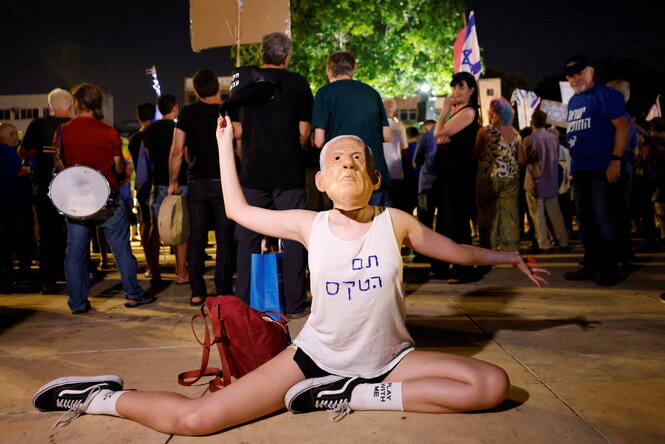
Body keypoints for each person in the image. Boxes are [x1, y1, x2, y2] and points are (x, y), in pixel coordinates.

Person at [32, 118, 549, 436]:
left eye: (358, 159)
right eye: (336, 159)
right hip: (314, 359)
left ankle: (349, 395)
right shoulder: (309, 223)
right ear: (321, 182)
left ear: (373, 178)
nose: (348, 163)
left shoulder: (397, 222)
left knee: (490, 384)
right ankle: (99, 396)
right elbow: (234, 209)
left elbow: (456, 250)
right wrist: (221, 149)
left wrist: (509, 258)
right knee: (196, 421)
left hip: (391, 363)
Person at [228, 32, 314, 318]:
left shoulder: (247, 81)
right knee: (293, 237)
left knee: (248, 236)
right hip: (288, 170)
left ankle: (244, 303)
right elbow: (304, 132)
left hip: (253, 170)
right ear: (287, 57)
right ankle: (294, 304)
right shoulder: (299, 83)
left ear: (261, 55)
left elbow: (237, 131)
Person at [58, 83, 152, 313]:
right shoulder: (108, 131)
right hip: (105, 199)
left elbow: (60, 164)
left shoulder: (63, 131)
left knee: (76, 252)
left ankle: (78, 303)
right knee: (121, 248)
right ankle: (132, 294)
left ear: (77, 102)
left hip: (76, 201)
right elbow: (119, 166)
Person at [562, 55, 632, 286]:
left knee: (604, 218)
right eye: (571, 74)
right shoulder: (573, 102)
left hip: (602, 167)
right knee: (585, 220)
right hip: (581, 169)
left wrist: (615, 159)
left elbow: (623, 126)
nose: (575, 78)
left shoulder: (605, 94)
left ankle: (609, 269)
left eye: (580, 72)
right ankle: (591, 265)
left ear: (591, 71)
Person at [169, 69, 236, 306]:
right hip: (224, 183)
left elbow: (177, 151)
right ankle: (224, 289)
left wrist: (173, 181)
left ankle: (197, 291)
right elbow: (239, 145)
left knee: (196, 238)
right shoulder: (228, 110)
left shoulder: (187, 112)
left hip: (196, 183)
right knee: (225, 238)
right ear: (219, 87)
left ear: (196, 92)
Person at [311, 50, 392, 205]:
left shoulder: (324, 93)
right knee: (377, 225)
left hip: (340, 176)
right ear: (354, 67)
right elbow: (387, 136)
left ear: (329, 71)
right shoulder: (372, 93)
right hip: (372, 172)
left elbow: (319, 141)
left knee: (342, 226)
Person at [18, 88, 72, 293]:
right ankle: (70, 275)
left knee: (47, 234)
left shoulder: (38, 125)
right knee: (71, 233)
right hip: (72, 188)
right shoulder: (73, 125)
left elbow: (22, 151)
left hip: (46, 187)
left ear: (50, 106)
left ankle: (48, 280)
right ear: (71, 105)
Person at [431, 72, 480, 283]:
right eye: (454, 87)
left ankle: (465, 269)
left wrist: (443, 111)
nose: (455, 92)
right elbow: (440, 136)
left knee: (456, 222)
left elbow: (438, 132)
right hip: (448, 174)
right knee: (443, 221)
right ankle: (442, 266)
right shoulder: (459, 113)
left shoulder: (468, 112)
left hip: (459, 176)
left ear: (471, 90)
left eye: (461, 87)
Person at [143, 94, 189, 286]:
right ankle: (181, 272)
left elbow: (147, 155)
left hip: (157, 182)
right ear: (175, 108)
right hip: (180, 182)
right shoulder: (179, 128)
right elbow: (183, 154)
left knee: (155, 227)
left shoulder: (149, 130)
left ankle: (154, 272)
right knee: (180, 226)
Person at [474, 97, 524, 253]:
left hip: (489, 178)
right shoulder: (515, 133)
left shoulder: (485, 131)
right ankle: (511, 250)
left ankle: (489, 250)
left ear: (493, 113)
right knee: (510, 214)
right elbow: (521, 158)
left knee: (488, 214)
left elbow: (475, 154)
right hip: (511, 178)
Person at [523, 110, 569, 252]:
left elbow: (524, 159)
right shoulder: (553, 138)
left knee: (538, 215)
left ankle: (544, 244)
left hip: (535, 182)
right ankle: (563, 241)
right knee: (555, 213)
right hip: (551, 180)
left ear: (532, 122)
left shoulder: (529, 139)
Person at [0, 123, 34, 293]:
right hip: (17, 206)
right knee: (22, 240)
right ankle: (24, 271)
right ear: (12, 135)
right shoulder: (11, 154)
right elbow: (19, 178)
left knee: (3, 245)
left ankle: (5, 275)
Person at [128, 102, 157, 281]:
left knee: (145, 223)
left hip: (143, 184)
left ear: (138, 117)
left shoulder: (134, 139)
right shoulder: (158, 134)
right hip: (160, 181)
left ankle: (150, 266)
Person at [382, 98, 408, 210]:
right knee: (394, 208)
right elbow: (405, 149)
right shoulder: (399, 127)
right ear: (396, 111)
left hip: (377, 172)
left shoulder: (373, 126)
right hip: (395, 172)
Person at [413, 119, 437, 229]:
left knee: (425, 222)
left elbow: (415, 162)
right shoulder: (447, 134)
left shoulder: (425, 136)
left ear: (426, 127)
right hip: (444, 183)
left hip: (426, 183)